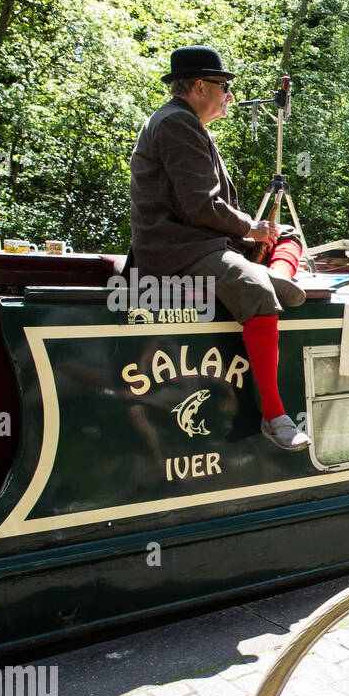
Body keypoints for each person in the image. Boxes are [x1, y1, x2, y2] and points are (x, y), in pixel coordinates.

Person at [130, 45, 311, 451]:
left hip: (202, 241)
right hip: (178, 249)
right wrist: (251, 228)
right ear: (198, 86)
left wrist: (256, 233)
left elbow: (204, 205)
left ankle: (276, 276)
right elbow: (200, 204)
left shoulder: (184, 123)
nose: (229, 95)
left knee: (287, 237)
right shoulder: (176, 124)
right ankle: (274, 415)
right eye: (224, 86)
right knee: (254, 287)